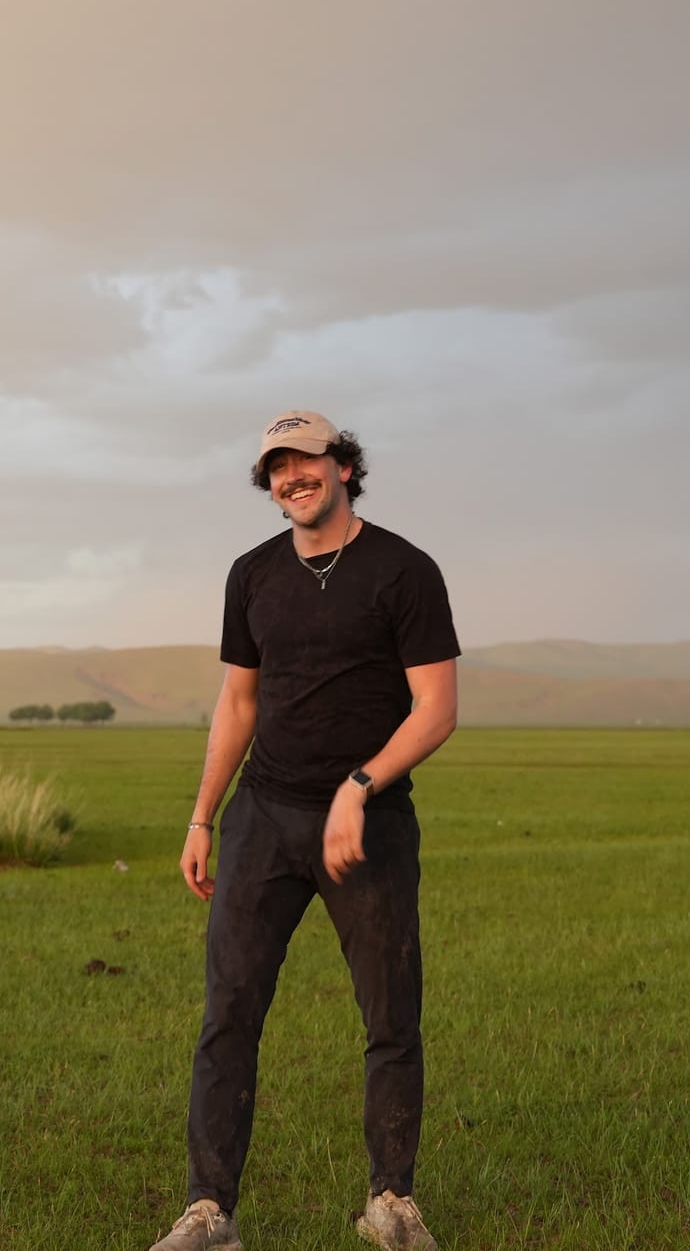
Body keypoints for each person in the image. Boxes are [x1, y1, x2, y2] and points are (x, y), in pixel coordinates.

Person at [150, 411, 460, 1251]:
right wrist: (202, 815)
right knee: (229, 1012)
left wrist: (360, 786)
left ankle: (391, 1201)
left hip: (370, 823)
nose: (293, 475)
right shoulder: (252, 574)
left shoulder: (404, 569)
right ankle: (209, 1212)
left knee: (391, 1016)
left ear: (344, 466)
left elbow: (437, 708)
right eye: (278, 466)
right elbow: (238, 702)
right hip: (264, 817)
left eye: (307, 459)